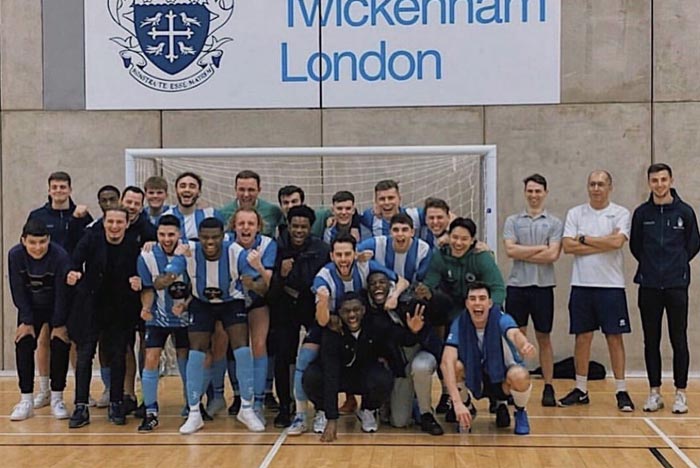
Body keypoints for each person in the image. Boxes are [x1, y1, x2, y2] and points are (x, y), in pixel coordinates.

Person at [287, 233, 407, 435]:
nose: (343, 259)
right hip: (332, 324)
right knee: (307, 359)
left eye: (347, 254)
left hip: (360, 321)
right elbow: (323, 320)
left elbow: (402, 281)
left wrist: (393, 296)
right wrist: (324, 303)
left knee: (380, 365)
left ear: (354, 254)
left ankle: (370, 408)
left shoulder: (365, 265)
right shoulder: (323, 278)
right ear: (332, 256)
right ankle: (303, 415)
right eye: (339, 255)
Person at [163, 217, 262, 434]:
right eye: (205, 237)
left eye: (215, 237)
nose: (210, 242)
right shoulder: (188, 250)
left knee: (243, 350)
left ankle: (247, 407)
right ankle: (194, 412)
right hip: (201, 302)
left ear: (222, 236)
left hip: (230, 302)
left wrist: (256, 275)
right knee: (196, 352)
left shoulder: (236, 251)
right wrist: (168, 275)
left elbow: (261, 285)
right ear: (199, 237)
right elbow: (164, 278)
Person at [302, 292, 427, 442]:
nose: (352, 315)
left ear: (364, 310)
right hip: (338, 376)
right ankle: (323, 410)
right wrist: (332, 419)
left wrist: (413, 331)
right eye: (346, 311)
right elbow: (331, 372)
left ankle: (368, 409)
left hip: (364, 376)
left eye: (356, 310)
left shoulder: (376, 324)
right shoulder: (332, 331)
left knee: (383, 377)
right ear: (339, 313)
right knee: (311, 376)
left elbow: (401, 338)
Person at [559, 170, 634, 412]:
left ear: (610, 187)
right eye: (592, 184)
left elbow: (617, 243)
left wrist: (584, 239)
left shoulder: (620, 213)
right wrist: (601, 242)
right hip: (582, 286)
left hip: (611, 286)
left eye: (601, 184)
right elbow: (568, 247)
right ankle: (581, 389)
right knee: (582, 337)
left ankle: (621, 390)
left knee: (614, 337)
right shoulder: (575, 213)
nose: (596, 188)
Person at [630, 163, 700, 414]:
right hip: (648, 285)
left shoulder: (685, 212)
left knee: (678, 339)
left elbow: (692, 245)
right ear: (649, 183)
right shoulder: (641, 214)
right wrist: (652, 268)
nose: (659, 184)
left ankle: (681, 393)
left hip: (676, 285)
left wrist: (675, 266)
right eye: (654, 180)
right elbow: (636, 247)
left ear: (671, 180)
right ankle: (654, 392)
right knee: (651, 340)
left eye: (663, 180)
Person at [416, 217, 505, 412]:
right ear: (448, 237)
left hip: (479, 313)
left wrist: (487, 313)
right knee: (448, 355)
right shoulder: (440, 256)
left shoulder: (481, 258)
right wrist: (425, 292)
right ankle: (452, 395)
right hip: (453, 314)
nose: (458, 243)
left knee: (490, 351)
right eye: (454, 237)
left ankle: (499, 399)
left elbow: (498, 289)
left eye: (464, 239)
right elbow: (430, 282)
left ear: (473, 240)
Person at [66, 207, 142, 428]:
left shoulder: (132, 245)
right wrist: (74, 272)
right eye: (111, 222)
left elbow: (141, 270)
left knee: (117, 355)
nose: (115, 226)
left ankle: (116, 402)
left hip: (119, 307)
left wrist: (138, 280)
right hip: (91, 305)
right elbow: (75, 261)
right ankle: (81, 405)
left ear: (127, 224)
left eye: (120, 222)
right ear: (104, 223)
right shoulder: (91, 239)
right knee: (85, 354)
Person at [27, 172, 92, 410]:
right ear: (48, 189)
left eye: (63, 187)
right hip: (44, 286)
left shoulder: (83, 216)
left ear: (70, 189)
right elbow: (29, 248)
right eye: (54, 187)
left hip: (73, 286)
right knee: (44, 337)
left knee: (72, 339)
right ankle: (45, 391)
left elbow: (90, 246)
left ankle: (79, 391)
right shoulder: (38, 216)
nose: (58, 190)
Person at [441, 282, 536, 434]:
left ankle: (520, 411)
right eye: (472, 299)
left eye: (482, 298)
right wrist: (457, 403)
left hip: (501, 379)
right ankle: (467, 408)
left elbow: (514, 333)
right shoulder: (460, 323)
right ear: (466, 303)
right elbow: (446, 361)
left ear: (490, 303)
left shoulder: (501, 318)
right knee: (455, 366)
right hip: (475, 376)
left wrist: (524, 344)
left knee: (520, 375)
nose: (477, 303)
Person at [503, 174, 563, 406]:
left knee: (544, 337)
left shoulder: (555, 223)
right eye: (530, 191)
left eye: (538, 191)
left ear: (545, 193)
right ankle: (518, 384)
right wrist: (540, 248)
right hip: (517, 286)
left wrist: (524, 250)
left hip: (543, 287)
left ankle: (548, 386)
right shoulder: (513, 221)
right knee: (517, 337)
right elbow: (510, 251)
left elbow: (553, 255)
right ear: (525, 192)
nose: (534, 195)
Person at [268, 205, 330, 427]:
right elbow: (269, 287)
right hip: (284, 305)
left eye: (304, 226)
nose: (299, 231)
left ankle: (320, 405)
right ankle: (286, 406)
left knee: (319, 352)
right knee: (283, 356)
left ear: (310, 227)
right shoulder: (275, 247)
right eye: (295, 226)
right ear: (288, 225)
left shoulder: (322, 249)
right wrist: (281, 275)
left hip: (311, 305)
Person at [365, 271, 444, 435]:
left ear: (391, 287)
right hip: (397, 363)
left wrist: (416, 331)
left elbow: (443, 312)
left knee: (420, 367)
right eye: (373, 284)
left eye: (382, 282)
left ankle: (425, 413)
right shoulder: (370, 312)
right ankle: (394, 401)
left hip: (421, 353)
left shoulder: (409, 303)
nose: (378, 286)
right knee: (399, 422)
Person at [8, 219, 71, 421]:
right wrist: (26, 321)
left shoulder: (60, 256)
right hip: (31, 307)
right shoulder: (15, 255)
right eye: (33, 242)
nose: (38, 247)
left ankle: (57, 398)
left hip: (56, 305)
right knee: (24, 342)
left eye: (42, 242)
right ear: (23, 241)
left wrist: (59, 323)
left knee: (60, 344)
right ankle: (26, 399)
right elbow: (17, 289)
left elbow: (63, 293)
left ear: (49, 240)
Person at [136, 215, 191, 431]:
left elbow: (196, 286)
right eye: (162, 234)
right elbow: (148, 288)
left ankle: (192, 406)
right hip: (158, 317)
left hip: (185, 317)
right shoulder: (146, 256)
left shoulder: (189, 253)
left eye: (171, 234)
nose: (167, 239)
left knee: (186, 360)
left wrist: (185, 305)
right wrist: (146, 308)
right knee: (151, 358)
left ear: (179, 234)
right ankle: (150, 410)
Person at [229, 208, 277, 425]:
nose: (246, 227)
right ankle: (232, 395)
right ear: (234, 226)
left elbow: (269, 284)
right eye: (241, 223)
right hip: (231, 299)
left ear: (258, 227)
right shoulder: (226, 244)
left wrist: (257, 266)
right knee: (228, 344)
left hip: (258, 299)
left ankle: (257, 401)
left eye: (250, 223)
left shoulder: (267, 245)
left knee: (259, 344)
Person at [358, 212, 432, 282]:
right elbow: (352, 250)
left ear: (412, 232)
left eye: (404, 230)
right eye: (396, 230)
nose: (400, 234)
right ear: (390, 232)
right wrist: (358, 256)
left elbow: (422, 279)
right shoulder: (377, 243)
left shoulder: (423, 249)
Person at [219, 170, 284, 237]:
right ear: (235, 189)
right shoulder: (222, 213)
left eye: (251, 190)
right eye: (241, 189)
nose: (246, 194)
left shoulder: (273, 211)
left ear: (259, 190)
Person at [164, 172, 225, 242]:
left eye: (192, 186)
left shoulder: (212, 214)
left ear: (199, 192)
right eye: (182, 186)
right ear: (176, 190)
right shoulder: (166, 216)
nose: (187, 189)